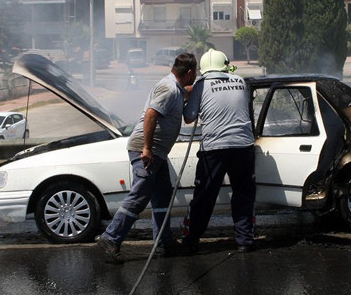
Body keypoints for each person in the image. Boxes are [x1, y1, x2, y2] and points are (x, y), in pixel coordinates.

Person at [96, 53, 198, 261]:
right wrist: (147, 148)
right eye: (195, 73)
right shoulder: (169, 89)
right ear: (189, 72)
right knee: (140, 195)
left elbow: (185, 98)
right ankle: (111, 237)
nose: (195, 76)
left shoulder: (175, 89)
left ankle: (164, 243)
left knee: (162, 196)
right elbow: (151, 114)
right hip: (146, 150)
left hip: (158, 152)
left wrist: (196, 91)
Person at [182, 50, 256, 254]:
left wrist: (189, 97)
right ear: (225, 65)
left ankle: (192, 240)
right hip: (243, 146)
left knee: (204, 195)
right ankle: (244, 241)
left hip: (214, 149)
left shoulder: (201, 84)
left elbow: (189, 117)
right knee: (243, 195)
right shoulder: (240, 81)